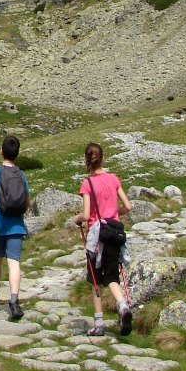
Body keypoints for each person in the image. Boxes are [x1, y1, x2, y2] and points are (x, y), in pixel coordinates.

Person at [72, 141, 133, 336]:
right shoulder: (113, 179)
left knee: (95, 278)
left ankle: (99, 324)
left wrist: (77, 219)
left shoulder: (87, 184)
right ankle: (123, 306)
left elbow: (87, 212)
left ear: (86, 160)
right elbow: (128, 206)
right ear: (102, 158)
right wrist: (116, 215)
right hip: (114, 232)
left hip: (97, 235)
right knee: (112, 275)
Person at [0, 134, 29, 319]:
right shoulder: (21, 174)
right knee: (14, 262)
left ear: (2, 151)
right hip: (16, 224)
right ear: (17, 154)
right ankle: (14, 300)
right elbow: (27, 201)